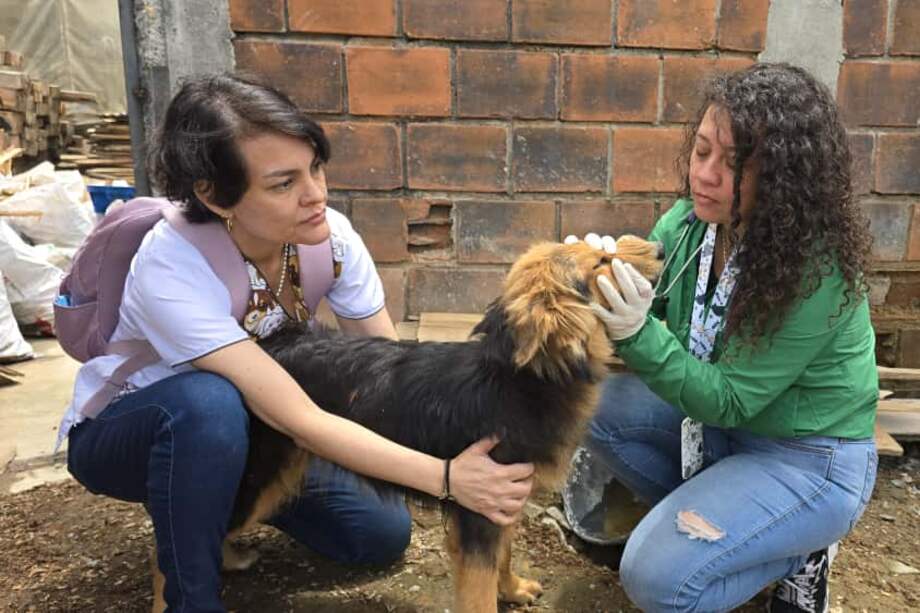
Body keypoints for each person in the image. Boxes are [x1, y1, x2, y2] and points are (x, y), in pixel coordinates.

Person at [59, 74, 534, 612]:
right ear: (214, 196)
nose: (317, 195)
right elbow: (297, 418)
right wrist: (448, 479)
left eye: (315, 168)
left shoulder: (328, 237)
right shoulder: (172, 264)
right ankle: (182, 591)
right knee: (207, 407)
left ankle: (231, 507)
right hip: (136, 432)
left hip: (264, 429)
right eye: (283, 184)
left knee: (377, 535)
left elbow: (391, 372)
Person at [572, 63, 878, 612]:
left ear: (785, 179)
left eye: (735, 162)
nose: (705, 174)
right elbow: (643, 294)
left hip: (805, 457)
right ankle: (738, 533)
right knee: (589, 405)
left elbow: (731, 398)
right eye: (702, 150)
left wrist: (638, 331)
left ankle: (799, 550)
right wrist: (593, 283)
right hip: (718, 436)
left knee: (653, 580)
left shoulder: (816, 269)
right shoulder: (692, 225)